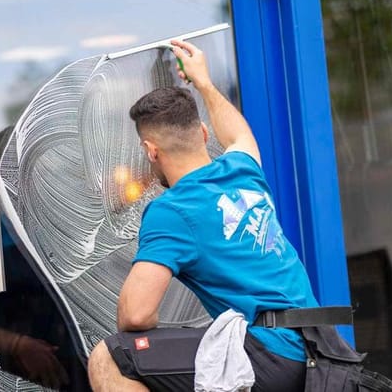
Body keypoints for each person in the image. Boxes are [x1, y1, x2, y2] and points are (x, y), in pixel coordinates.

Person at [87, 39, 319, 391]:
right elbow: (239, 133)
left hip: (271, 357)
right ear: (204, 133)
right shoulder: (243, 169)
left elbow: (136, 315)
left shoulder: (172, 211)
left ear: (150, 151)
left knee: (111, 357)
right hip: (314, 345)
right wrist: (204, 83)